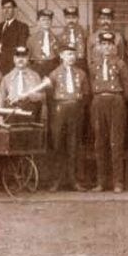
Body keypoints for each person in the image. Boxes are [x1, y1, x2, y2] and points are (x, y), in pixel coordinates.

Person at [88, 32, 128, 193]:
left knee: (116, 142)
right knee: (100, 142)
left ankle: (118, 182)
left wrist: (118, 99)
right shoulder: (93, 65)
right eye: (103, 44)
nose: (106, 47)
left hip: (116, 101)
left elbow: (127, 85)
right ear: (99, 46)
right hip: (99, 101)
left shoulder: (120, 64)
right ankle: (101, 182)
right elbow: (92, 83)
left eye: (109, 44)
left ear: (114, 46)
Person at [47, 44, 89, 192]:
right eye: (67, 54)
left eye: (73, 54)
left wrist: (78, 107)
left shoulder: (81, 74)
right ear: (61, 56)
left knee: (74, 145)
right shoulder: (54, 74)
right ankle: (56, 181)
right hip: (60, 110)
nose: (71, 57)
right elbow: (50, 97)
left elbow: (86, 94)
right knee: (58, 145)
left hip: (76, 109)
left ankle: (74, 180)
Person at [0, 46, 45, 124]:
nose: (21, 60)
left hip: (30, 115)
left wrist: (30, 96)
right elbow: (0, 101)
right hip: (12, 115)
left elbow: (42, 97)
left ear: (28, 58)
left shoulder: (35, 76)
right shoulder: (7, 78)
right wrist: (0, 120)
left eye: (24, 57)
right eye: (18, 57)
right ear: (14, 59)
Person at [0, 0, 29, 74]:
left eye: (9, 8)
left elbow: (21, 48)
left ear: (14, 10)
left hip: (12, 65)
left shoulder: (22, 27)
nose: (6, 11)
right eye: (4, 8)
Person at [27, 8, 59, 77]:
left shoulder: (56, 39)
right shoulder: (31, 39)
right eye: (43, 20)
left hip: (52, 69)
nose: (46, 22)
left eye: (48, 20)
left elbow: (59, 58)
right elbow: (28, 58)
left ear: (51, 22)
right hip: (37, 69)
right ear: (38, 22)